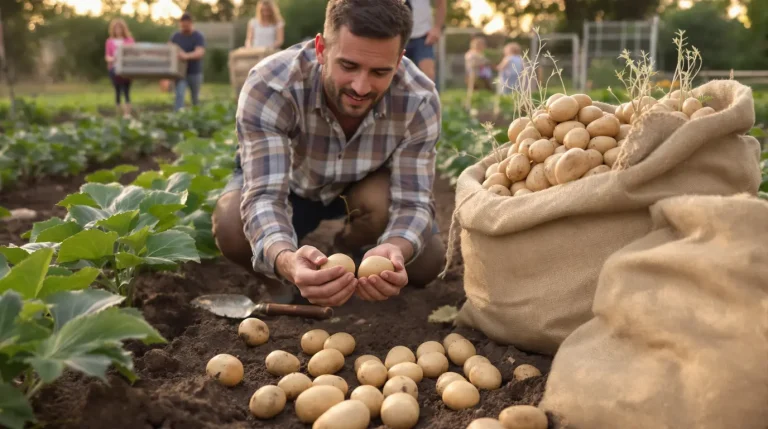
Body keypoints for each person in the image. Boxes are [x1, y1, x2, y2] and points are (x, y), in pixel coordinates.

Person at [212, 0, 446, 308]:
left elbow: (414, 201)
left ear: (400, 61)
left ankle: (352, 246)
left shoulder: (420, 99)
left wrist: (394, 248)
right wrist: (285, 260)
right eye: (348, 66)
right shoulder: (271, 85)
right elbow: (265, 197)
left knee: (428, 261)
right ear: (321, 49)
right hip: (291, 186)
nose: (361, 87)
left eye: (379, 72)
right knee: (231, 223)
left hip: (357, 190)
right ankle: (278, 284)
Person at [403, 0, 446, 85]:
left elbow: (441, 3)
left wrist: (437, 28)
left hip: (422, 36)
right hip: (396, 33)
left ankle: (430, 98)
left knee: (428, 76)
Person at [170, 13, 206, 111]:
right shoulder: (175, 36)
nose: (184, 28)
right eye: (182, 25)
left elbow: (200, 52)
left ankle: (197, 117)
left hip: (195, 73)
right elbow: (170, 50)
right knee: (179, 95)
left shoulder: (198, 36)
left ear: (191, 23)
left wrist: (185, 56)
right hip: (180, 74)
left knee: (195, 98)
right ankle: (178, 117)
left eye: (186, 25)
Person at [104, 18, 135, 118]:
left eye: (120, 28)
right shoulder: (109, 41)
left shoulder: (129, 40)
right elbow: (107, 56)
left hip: (127, 68)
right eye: (116, 28)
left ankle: (127, 114)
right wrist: (114, 59)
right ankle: (118, 113)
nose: (118, 30)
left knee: (126, 90)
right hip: (114, 67)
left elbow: (133, 54)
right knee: (117, 90)